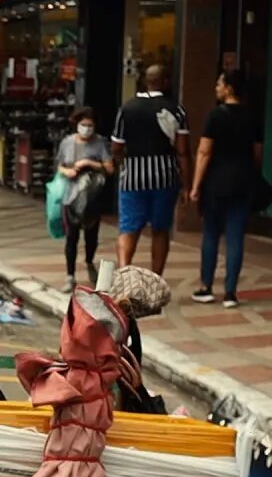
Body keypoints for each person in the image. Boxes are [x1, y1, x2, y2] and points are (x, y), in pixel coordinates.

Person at [189, 68, 264, 308]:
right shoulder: (253, 117)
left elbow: (204, 152)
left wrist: (195, 185)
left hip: (216, 182)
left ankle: (206, 287)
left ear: (229, 87)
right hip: (243, 182)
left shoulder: (215, 116)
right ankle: (230, 293)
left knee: (211, 233)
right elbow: (257, 154)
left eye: (220, 83)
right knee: (235, 237)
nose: (216, 87)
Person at [110, 64, 189, 275]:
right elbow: (182, 151)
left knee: (128, 228)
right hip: (165, 178)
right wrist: (187, 185)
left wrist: (122, 162)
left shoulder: (127, 109)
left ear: (147, 81)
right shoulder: (177, 109)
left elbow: (116, 146)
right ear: (165, 81)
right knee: (160, 230)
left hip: (133, 178)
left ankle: (124, 273)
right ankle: (156, 277)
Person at [56, 107, 115, 292]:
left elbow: (110, 168)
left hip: (92, 197)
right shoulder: (67, 143)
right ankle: (70, 275)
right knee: (71, 237)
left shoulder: (100, 144)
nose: (86, 129)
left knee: (91, 236)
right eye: (83, 125)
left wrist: (89, 163)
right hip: (70, 195)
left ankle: (89, 261)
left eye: (90, 125)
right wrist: (69, 171)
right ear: (77, 124)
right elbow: (59, 166)